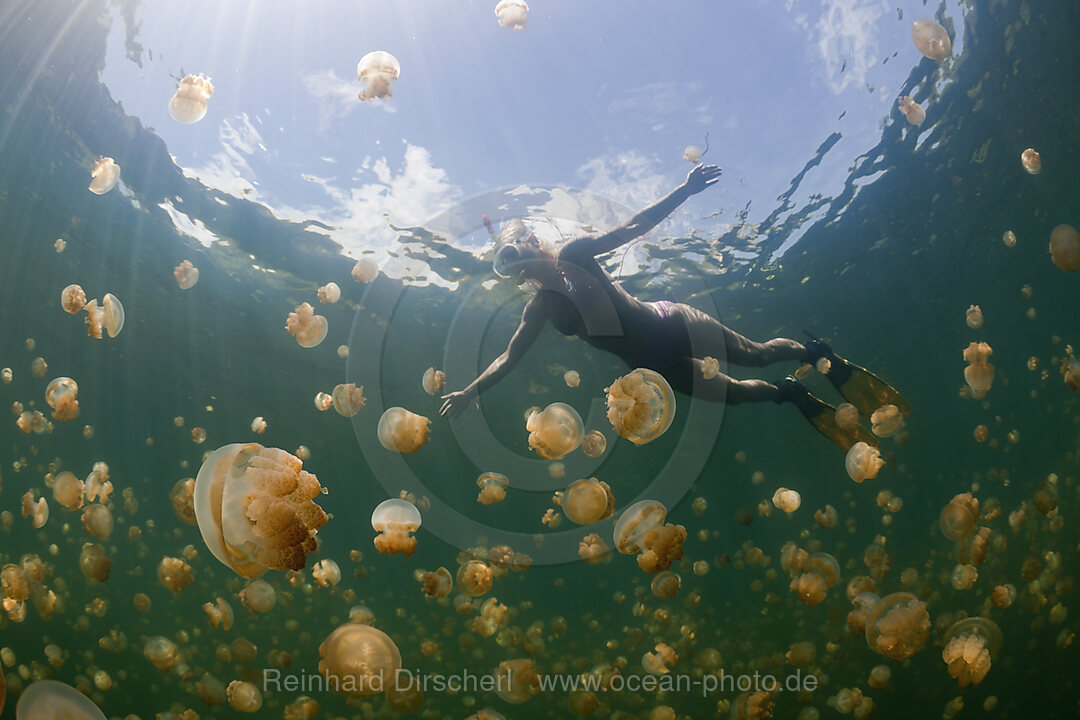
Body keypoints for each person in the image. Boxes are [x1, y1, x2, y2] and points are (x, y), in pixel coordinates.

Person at [439, 164, 906, 448]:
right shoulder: (540, 309)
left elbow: (633, 226)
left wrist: (685, 189)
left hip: (671, 323)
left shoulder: (575, 255)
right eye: (505, 263)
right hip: (648, 365)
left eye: (515, 251)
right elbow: (508, 356)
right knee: (736, 394)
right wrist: (468, 393)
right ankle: (791, 392)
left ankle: (810, 353)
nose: (515, 265)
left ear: (531, 240)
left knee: (758, 354)